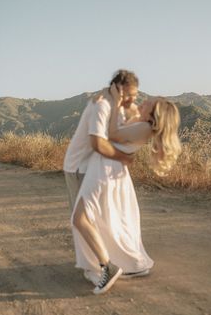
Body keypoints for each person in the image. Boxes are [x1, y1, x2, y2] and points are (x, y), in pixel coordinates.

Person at [70, 82, 182, 295]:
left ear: (155, 113)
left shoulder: (145, 127)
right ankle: (120, 262)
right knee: (101, 219)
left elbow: (110, 133)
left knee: (81, 218)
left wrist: (115, 100)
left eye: (150, 102)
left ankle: (107, 266)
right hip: (105, 168)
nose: (145, 101)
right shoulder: (141, 123)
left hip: (105, 171)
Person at [63, 70, 140, 294]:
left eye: (135, 95)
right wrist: (123, 157)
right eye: (129, 94)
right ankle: (98, 267)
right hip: (79, 167)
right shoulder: (101, 105)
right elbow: (97, 142)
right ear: (117, 88)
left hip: (94, 168)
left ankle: (102, 265)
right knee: (83, 220)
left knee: (90, 219)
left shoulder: (112, 103)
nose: (132, 100)